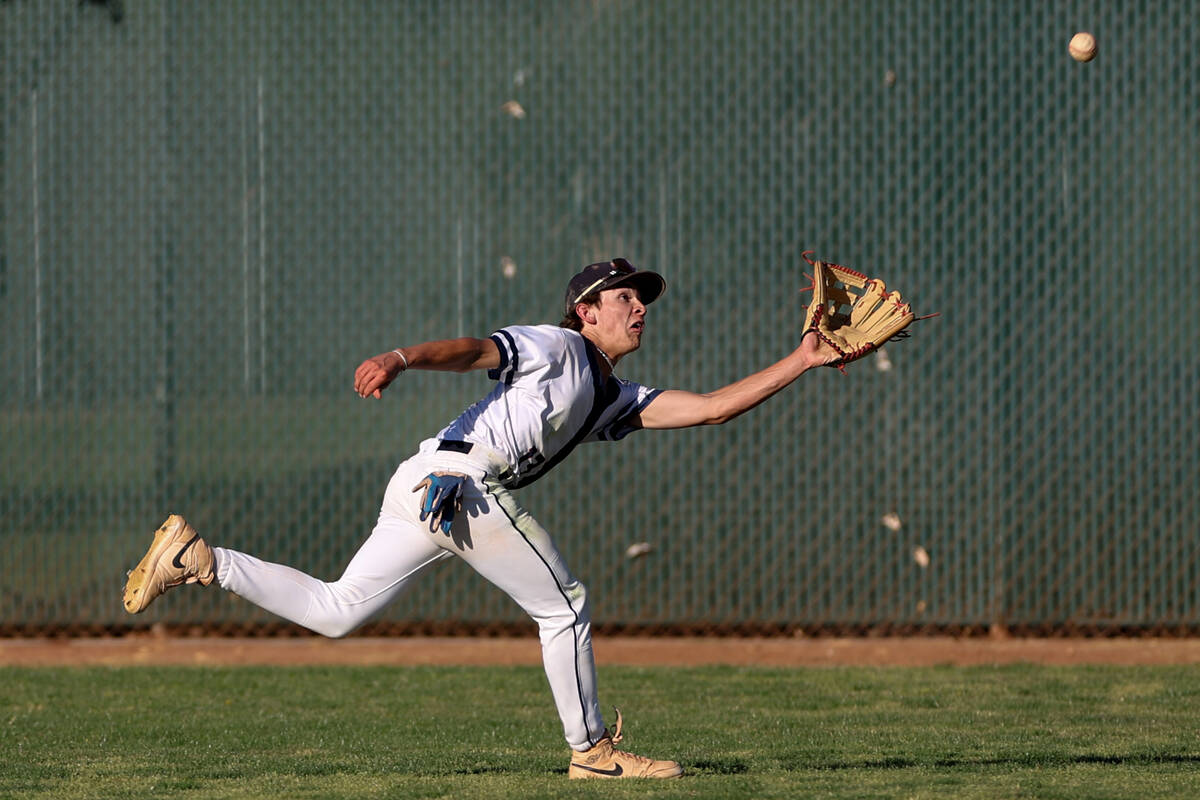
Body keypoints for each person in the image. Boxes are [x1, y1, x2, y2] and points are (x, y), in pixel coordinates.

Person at [123, 257, 839, 779]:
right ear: (586, 311)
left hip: (423, 479)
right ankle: (593, 755)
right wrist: (403, 357)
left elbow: (711, 407)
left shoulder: (608, 395)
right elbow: (479, 352)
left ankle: (203, 560)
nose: (639, 307)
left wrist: (802, 359)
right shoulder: (560, 348)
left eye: (640, 299)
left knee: (337, 610)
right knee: (566, 607)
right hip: (458, 485)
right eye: (624, 297)